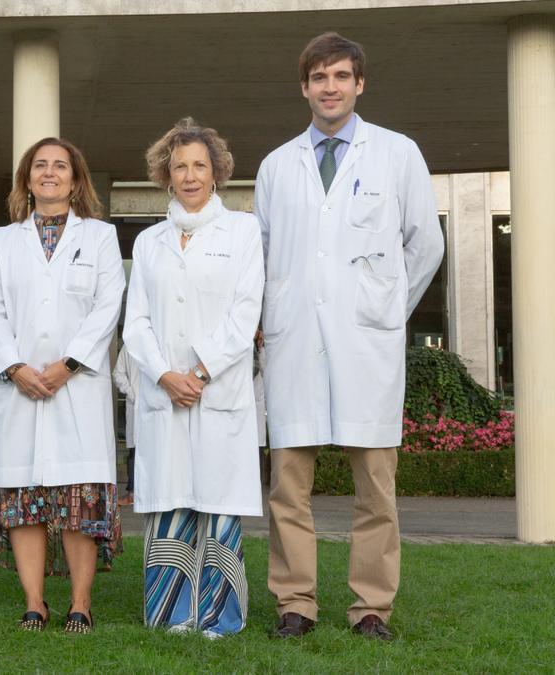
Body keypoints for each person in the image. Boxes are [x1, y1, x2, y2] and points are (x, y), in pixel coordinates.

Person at [255, 32, 444, 641]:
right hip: (294, 342)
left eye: (341, 76)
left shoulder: (396, 153)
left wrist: (385, 308)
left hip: (369, 345)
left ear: (359, 84)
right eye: (319, 78)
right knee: (288, 486)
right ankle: (295, 603)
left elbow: (426, 243)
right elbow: (261, 256)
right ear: (303, 86)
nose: (329, 87)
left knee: (376, 489)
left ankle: (370, 608)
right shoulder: (277, 165)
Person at [0, 137, 126, 633]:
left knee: (79, 497)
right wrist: (15, 367)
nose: (49, 173)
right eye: (39, 165)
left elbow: (108, 305)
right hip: (18, 386)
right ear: (26, 179)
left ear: (76, 179)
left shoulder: (101, 237)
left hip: (76, 387)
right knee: (24, 498)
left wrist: (69, 364)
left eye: (60, 166)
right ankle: (35, 601)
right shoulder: (3, 239)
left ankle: (80, 604)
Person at [124, 118, 264, 637]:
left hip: (217, 390)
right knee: (170, 501)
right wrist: (164, 374)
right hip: (166, 394)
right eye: (179, 165)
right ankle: (168, 614)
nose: (189, 175)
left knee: (218, 504)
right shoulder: (149, 242)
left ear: (217, 172)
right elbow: (135, 320)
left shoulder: (243, 231)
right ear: (165, 173)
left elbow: (246, 311)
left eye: (199, 165)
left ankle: (221, 618)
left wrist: (200, 371)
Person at [112, 341, 139, 505]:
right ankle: (133, 494)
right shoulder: (130, 346)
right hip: (137, 406)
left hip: (161, 405)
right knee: (135, 453)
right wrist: (132, 393)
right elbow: (118, 374)